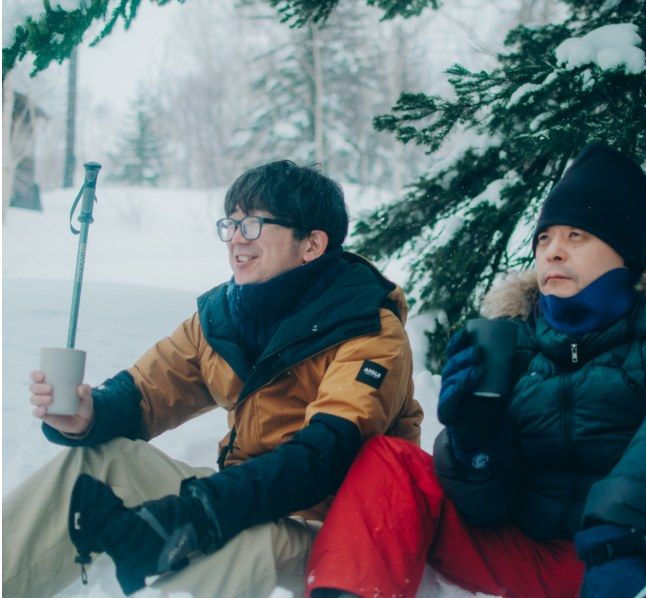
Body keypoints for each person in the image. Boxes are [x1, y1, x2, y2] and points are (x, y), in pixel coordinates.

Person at [305, 143, 646, 598]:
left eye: (576, 236)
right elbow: (486, 508)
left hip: (629, 551)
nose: (552, 252)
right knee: (390, 461)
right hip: (522, 551)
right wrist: (476, 444)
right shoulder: (510, 337)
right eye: (544, 238)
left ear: (624, 251)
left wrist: (619, 522)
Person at [3, 161, 423, 598]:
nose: (237, 238)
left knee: (233, 543)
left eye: (256, 223)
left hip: (334, 537)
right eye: (233, 223)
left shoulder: (367, 332)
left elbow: (323, 456)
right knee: (94, 464)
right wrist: (91, 414)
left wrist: (203, 510)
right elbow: (147, 392)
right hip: (242, 503)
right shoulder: (225, 318)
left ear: (312, 244)